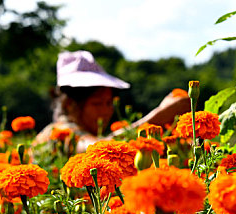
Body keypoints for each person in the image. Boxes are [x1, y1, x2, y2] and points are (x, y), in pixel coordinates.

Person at [35, 50, 190, 151]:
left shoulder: (85, 133)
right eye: (96, 103)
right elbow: (99, 149)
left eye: (109, 103)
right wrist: (158, 117)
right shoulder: (60, 132)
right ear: (69, 104)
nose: (106, 110)